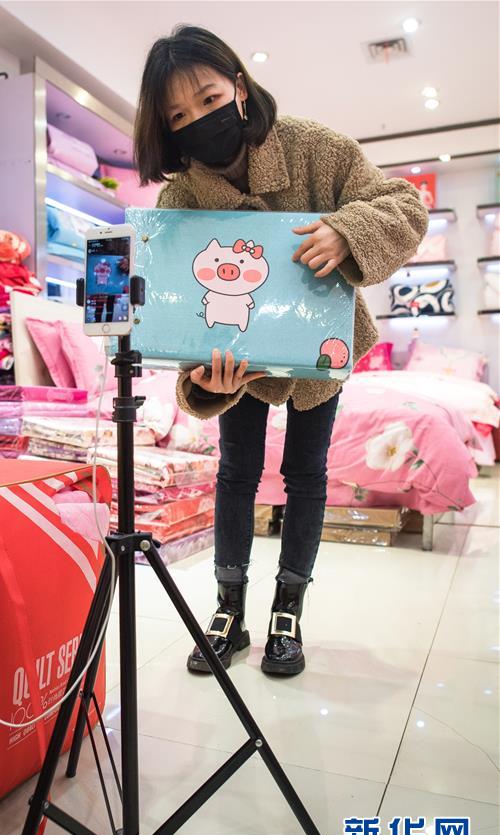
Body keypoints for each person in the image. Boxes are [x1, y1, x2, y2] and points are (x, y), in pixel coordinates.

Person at [134, 25, 428, 677]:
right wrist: (202, 379)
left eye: (209, 98)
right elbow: (180, 309)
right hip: (236, 357)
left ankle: (287, 611)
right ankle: (228, 610)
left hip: (318, 348)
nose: (197, 120)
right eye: (177, 116)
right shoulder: (180, 197)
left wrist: (347, 230)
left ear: (239, 88)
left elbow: (403, 205)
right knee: (236, 471)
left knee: (306, 473)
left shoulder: (313, 147)